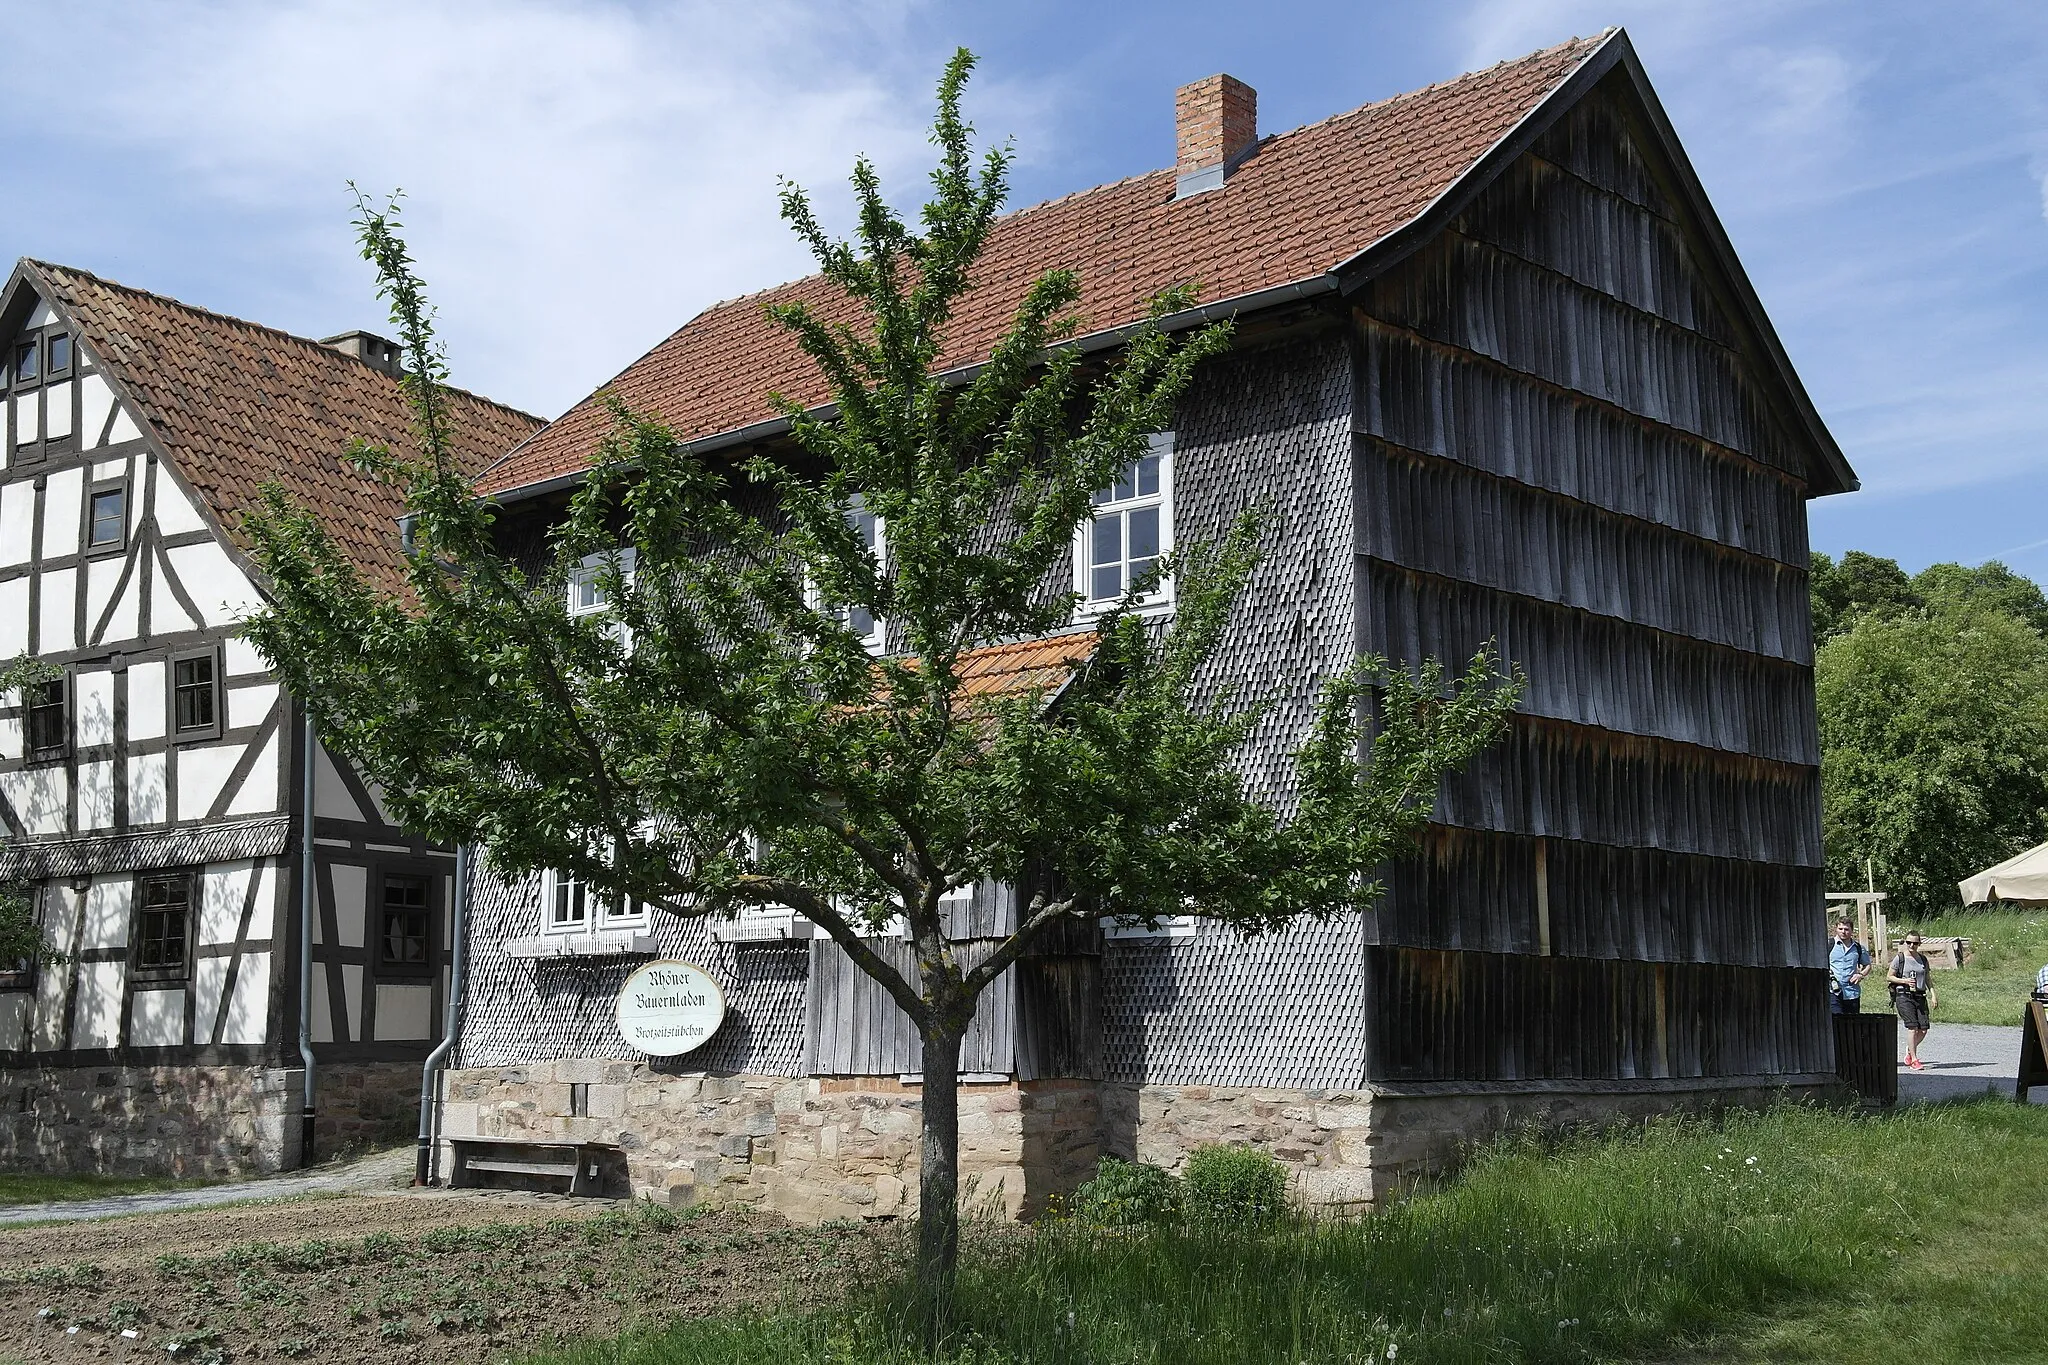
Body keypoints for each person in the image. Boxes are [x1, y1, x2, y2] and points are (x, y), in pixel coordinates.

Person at [1888, 934, 1936, 1070]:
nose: (1911, 946)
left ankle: (1910, 1050)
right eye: (1908, 942)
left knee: (1924, 1028)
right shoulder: (1900, 958)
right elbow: (1889, 976)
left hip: (1920, 995)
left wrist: (1933, 994)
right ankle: (1914, 1060)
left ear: (1919, 944)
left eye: (1914, 943)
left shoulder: (1923, 959)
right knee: (1913, 1027)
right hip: (1904, 995)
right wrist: (1904, 981)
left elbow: (1927, 978)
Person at [1828, 919, 1872, 1014]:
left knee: (1851, 1024)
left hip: (1852, 993)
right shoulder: (1829, 945)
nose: (1843, 932)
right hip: (1833, 992)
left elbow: (1867, 965)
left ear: (1852, 930)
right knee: (1836, 1022)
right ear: (1836, 929)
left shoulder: (1858, 947)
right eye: (1840, 929)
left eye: (1846, 929)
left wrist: (1860, 974)